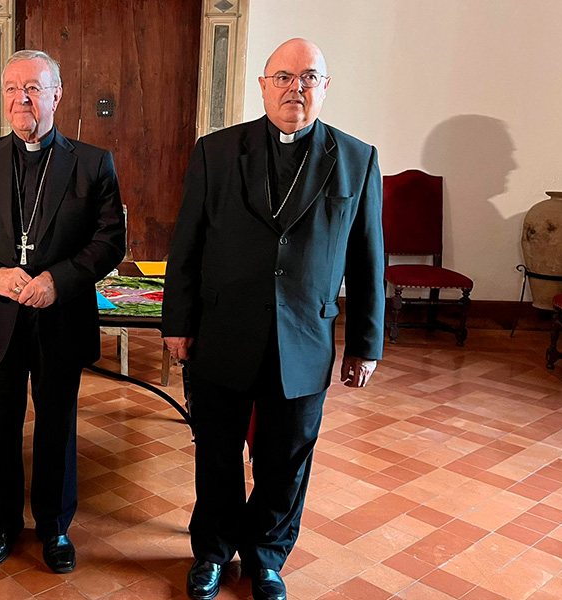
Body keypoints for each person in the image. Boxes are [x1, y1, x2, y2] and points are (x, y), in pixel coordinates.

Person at [162, 38, 384, 600]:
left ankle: (266, 556)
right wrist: (176, 322)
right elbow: (186, 244)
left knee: (287, 460)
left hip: (305, 337)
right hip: (222, 333)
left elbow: (367, 258)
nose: (296, 88)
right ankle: (212, 551)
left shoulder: (357, 159)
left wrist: (365, 344)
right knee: (216, 454)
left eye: (309, 77)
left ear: (325, 87)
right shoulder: (215, 151)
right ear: (262, 85)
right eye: (284, 77)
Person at [0, 49, 125, 574]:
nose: (23, 99)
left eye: (35, 89)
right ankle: (0, 524)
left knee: (57, 424)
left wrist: (58, 281)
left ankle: (54, 527)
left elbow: (111, 240)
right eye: (13, 89)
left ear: (57, 95)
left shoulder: (92, 162)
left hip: (59, 315)